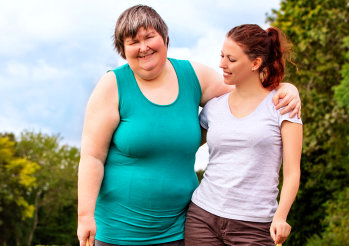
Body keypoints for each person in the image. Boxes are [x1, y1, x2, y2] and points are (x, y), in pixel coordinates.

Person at [77, 5, 301, 246]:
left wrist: (285, 88)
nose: (143, 47)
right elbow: (92, 157)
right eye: (133, 41)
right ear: (123, 49)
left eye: (149, 37)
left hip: (179, 228)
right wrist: (85, 216)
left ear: (164, 38)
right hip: (119, 231)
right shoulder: (112, 86)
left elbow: (249, 90)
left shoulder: (194, 76)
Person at [185, 24, 303, 246]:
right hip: (202, 218)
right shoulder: (213, 107)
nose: (221, 64)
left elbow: (292, 171)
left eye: (231, 59)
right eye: (221, 56)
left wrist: (281, 216)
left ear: (255, 63)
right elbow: (184, 147)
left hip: (254, 227)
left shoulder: (283, 107)